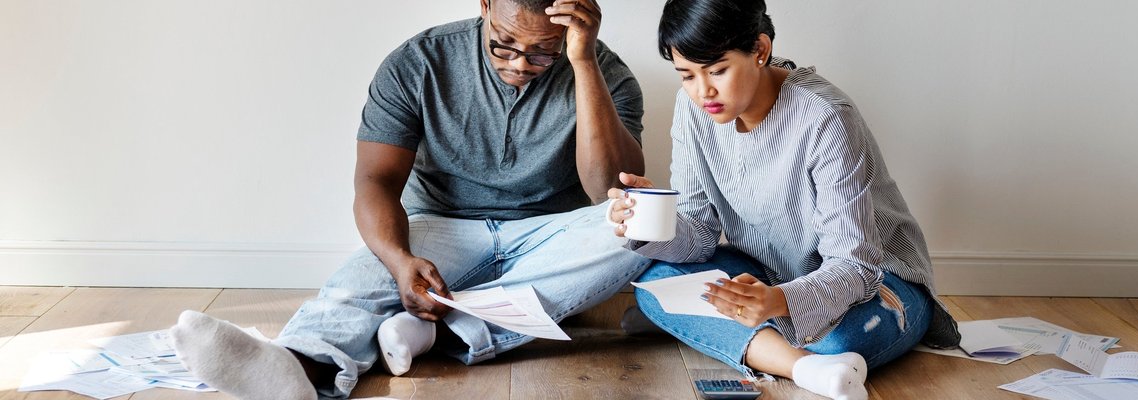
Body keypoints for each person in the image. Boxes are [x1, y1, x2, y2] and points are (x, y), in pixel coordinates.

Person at [168, 0, 651, 398]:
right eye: (503, 44)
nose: (520, 63)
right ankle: (295, 367)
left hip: (551, 234)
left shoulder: (605, 71)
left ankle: (440, 333)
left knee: (640, 229)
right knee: (363, 277)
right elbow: (374, 182)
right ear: (484, 6)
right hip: (441, 225)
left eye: (543, 52)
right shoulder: (419, 61)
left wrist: (581, 62)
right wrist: (400, 260)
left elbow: (607, 188)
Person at [606, 1, 962, 399]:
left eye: (718, 70)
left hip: (880, 281)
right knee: (654, 281)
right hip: (771, 271)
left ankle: (725, 332)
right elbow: (701, 235)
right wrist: (647, 219)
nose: (702, 91)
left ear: (759, 50)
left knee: (836, 339)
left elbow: (857, 265)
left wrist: (778, 301)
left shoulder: (826, 116)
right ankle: (806, 368)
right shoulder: (693, 109)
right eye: (686, 75)